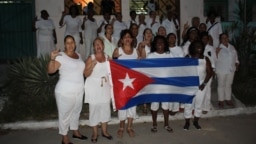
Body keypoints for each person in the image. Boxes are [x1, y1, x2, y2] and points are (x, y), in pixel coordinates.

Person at [47, 35, 87, 144]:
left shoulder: (78, 55)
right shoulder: (61, 56)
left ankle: (75, 132)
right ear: (64, 44)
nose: (70, 45)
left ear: (75, 43)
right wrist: (52, 58)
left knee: (76, 112)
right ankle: (64, 137)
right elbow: (50, 71)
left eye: (72, 42)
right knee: (64, 115)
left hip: (79, 90)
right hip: (65, 91)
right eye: (67, 43)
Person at [84, 37, 113, 143]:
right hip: (93, 88)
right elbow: (86, 74)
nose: (98, 46)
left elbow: (113, 71)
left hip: (105, 86)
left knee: (105, 109)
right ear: (94, 47)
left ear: (103, 46)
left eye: (100, 44)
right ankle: (95, 133)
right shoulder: (90, 58)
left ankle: (104, 131)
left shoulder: (107, 58)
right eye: (96, 44)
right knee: (94, 110)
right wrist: (92, 65)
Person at [112, 29, 140, 138]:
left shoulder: (136, 51)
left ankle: (129, 127)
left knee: (132, 105)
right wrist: (115, 59)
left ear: (132, 39)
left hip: (133, 83)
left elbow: (140, 67)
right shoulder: (117, 51)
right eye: (125, 37)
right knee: (122, 105)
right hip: (121, 84)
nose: (127, 39)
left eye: (129, 37)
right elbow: (112, 67)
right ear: (122, 40)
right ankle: (121, 127)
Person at [183, 40, 213, 130]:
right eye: (197, 46)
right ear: (192, 48)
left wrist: (204, 84)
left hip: (201, 86)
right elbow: (182, 71)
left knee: (198, 105)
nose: (199, 47)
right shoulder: (188, 58)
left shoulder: (205, 59)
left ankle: (196, 121)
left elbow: (209, 72)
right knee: (188, 105)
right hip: (189, 86)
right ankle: (187, 122)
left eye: (200, 46)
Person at [147, 35, 174, 133]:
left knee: (166, 105)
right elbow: (147, 70)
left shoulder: (169, 55)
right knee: (154, 105)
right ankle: (154, 124)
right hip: (155, 85)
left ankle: (166, 124)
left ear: (165, 44)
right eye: (158, 42)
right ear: (155, 44)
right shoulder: (151, 55)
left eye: (162, 42)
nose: (160, 44)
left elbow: (175, 67)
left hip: (166, 85)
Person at [215, 33, 239, 108]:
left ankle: (228, 99)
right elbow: (214, 59)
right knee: (221, 85)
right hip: (221, 70)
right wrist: (216, 53)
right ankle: (221, 101)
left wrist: (237, 63)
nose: (225, 39)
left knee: (228, 85)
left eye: (226, 37)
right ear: (220, 40)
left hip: (231, 69)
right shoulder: (218, 48)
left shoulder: (232, 47)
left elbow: (236, 57)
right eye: (223, 38)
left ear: (228, 38)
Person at [200, 32, 216, 114]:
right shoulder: (198, 47)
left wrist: (213, 70)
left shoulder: (211, 48)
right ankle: (200, 105)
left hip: (209, 71)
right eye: (203, 38)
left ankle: (206, 106)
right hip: (200, 71)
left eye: (206, 39)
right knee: (200, 88)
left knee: (207, 88)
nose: (204, 40)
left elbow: (213, 59)